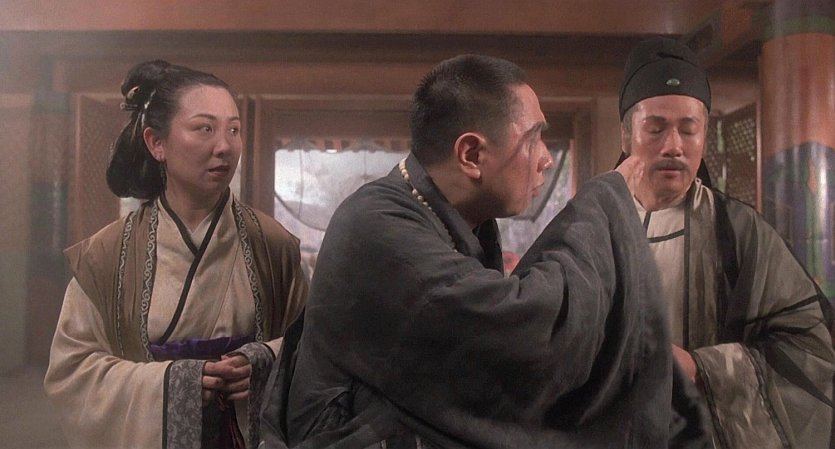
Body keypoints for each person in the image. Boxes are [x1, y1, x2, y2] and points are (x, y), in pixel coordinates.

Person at [260, 54, 709, 448]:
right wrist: (606, 201)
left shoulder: (452, 220)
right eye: (533, 138)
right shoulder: (377, 225)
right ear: (472, 154)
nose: (545, 158)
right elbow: (532, 336)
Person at [44, 60, 308, 449]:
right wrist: (171, 385)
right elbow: (72, 372)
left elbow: (315, 346)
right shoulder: (107, 256)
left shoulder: (274, 245)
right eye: (205, 129)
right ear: (157, 143)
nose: (224, 146)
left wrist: (264, 361)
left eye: (233, 130)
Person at [616, 37, 835, 448]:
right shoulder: (589, 227)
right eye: (655, 128)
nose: (673, 146)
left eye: (688, 129)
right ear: (626, 135)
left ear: (704, 135)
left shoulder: (740, 231)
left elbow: (812, 351)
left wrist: (702, 368)